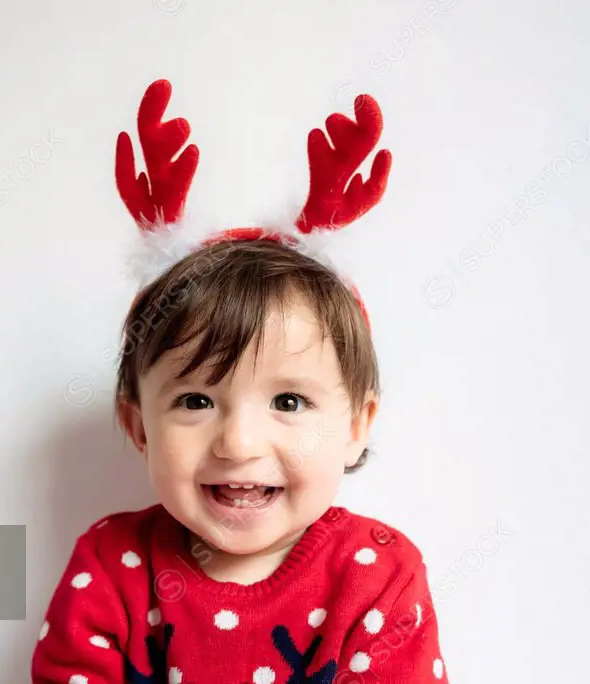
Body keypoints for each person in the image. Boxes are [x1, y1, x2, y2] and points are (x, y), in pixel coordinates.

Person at [31, 79, 449, 683]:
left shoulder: (378, 575)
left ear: (356, 426)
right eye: (196, 400)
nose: (239, 444)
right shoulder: (110, 565)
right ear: (138, 425)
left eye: (288, 400)